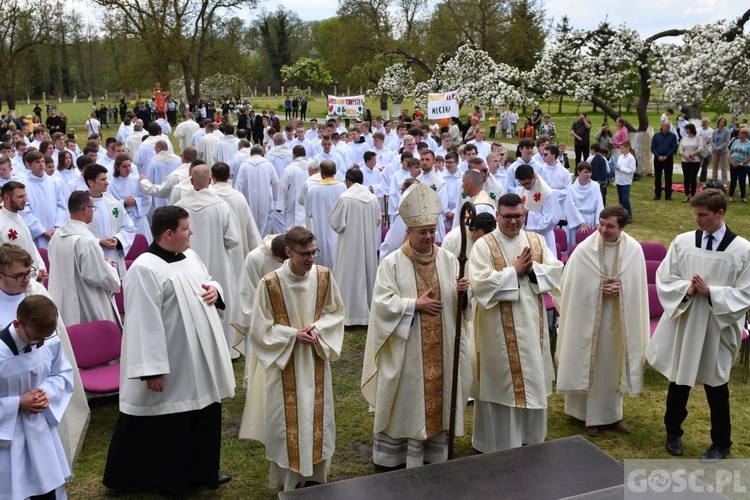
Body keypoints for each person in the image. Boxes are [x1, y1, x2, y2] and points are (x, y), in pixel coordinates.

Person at [103, 206, 235, 495]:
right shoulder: (144, 268)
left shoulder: (189, 255)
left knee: (203, 412)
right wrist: (153, 370)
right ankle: (168, 478)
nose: (191, 233)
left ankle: (203, 471)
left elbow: (208, 278)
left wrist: (215, 290)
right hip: (171, 361)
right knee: (169, 421)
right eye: (186, 228)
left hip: (198, 359)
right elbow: (142, 323)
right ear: (168, 233)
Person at [362, 183, 472, 468]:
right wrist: (414, 305)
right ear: (408, 232)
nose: (427, 236)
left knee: (440, 394)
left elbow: (461, 307)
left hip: (443, 346)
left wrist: (463, 293)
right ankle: (398, 455)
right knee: (407, 400)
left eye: (431, 231)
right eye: (421, 232)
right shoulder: (392, 264)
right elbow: (382, 304)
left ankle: (435, 451)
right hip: (407, 347)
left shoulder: (448, 259)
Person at [647, 189, 750, 462]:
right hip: (687, 320)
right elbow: (665, 278)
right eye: (695, 214)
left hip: (718, 325)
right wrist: (688, 290)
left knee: (717, 386)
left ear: (720, 213)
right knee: (679, 380)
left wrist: (712, 293)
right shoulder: (683, 242)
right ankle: (673, 433)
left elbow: (746, 292)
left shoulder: (742, 250)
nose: (697, 220)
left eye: (702, 215)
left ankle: (721, 443)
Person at [245, 226, 345, 491]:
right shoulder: (269, 283)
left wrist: (319, 329)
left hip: (315, 358)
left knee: (317, 416)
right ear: (288, 252)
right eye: (305, 254)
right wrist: (292, 335)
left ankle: (316, 477)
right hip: (285, 362)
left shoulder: (324, 277)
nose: (312, 259)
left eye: (315, 252)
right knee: (285, 422)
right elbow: (260, 328)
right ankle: (289, 481)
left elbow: (336, 313)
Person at [468, 193, 563, 452]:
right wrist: (514, 272)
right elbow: (479, 284)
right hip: (497, 330)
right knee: (500, 382)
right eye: (507, 217)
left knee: (531, 377)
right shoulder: (484, 245)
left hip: (532, 325)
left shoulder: (536, 240)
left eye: (518, 216)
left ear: (525, 215)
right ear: (497, 216)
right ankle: (496, 442)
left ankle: (530, 437)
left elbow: (555, 272)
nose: (513, 222)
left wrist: (532, 270)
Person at [555, 205, 649, 437]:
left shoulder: (634, 250)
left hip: (618, 319)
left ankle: (612, 415)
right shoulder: (584, 250)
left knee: (612, 363)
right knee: (591, 361)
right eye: (601, 224)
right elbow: (570, 285)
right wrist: (598, 290)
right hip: (586, 318)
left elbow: (638, 288)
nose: (603, 230)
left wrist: (621, 289)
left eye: (610, 226)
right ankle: (587, 416)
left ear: (622, 227)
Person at [0, 295, 73, 500]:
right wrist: (16, 403)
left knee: (47, 486)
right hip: (7, 439)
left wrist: (45, 394)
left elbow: (62, 373)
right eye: (35, 338)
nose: (40, 343)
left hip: (40, 431)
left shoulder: (47, 340)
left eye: (46, 337)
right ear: (17, 323)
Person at [176, 165, 241, 358]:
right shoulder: (221, 205)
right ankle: (225, 348)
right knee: (220, 298)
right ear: (210, 180)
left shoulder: (179, 206)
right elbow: (233, 239)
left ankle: (195, 347)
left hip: (186, 264)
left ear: (191, 181)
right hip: (218, 262)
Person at [48, 191, 122, 327]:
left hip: (63, 303)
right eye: (93, 208)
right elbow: (98, 277)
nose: (93, 212)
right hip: (87, 304)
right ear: (85, 210)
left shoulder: (57, 235)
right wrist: (108, 266)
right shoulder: (87, 241)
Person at [328, 168, 381, 326]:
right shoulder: (372, 198)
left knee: (348, 274)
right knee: (366, 272)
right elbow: (378, 220)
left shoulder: (345, 198)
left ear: (348, 181)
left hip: (349, 245)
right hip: (368, 244)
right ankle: (366, 312)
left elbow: (336, 223)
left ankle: (349, 315)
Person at [84, 164, 136, 277]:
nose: (107, 182)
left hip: (114, 257)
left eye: (106, 178)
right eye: (102, 179)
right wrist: (98, 242)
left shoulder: (114, 203)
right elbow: (76, 235)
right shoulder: (81, 206)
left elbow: (128, 227)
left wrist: (117, 240)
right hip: (93, 259)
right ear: (90, 182)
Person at [303, 160, 346, 269]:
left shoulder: (313, 190)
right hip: (338, 229)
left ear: (321, 173)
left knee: (321, 260)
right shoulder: (343, 187)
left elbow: (308, 212)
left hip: (320, 230)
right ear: (335, 172)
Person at [0, 181, 48, 276]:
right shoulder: (2, 224)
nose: (25, 200)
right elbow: (7, 259)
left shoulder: (19, 217)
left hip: (33, 275)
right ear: (6, 198)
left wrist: (40, 267)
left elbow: (30, 245)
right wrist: (33, 274)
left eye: (25, 195)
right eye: (20, 197)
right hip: (18, 279)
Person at [564, 162, 604, 249]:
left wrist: (598, 222)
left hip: (592, 218)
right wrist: (581, 223)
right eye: (585, 172)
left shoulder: (595, 186)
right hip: (577, 220)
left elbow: (599, 204)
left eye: (590, 172)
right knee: (577, 246)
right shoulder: (572, 189)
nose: (588, 174)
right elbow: (571, 207)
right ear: (578, 172)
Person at [651, 122, 679, 201]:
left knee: (668, 177)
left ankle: (668, 195)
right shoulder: (656, 136)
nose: (668, 128)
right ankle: (657, 194)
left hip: (668, 159)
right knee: (658, 177)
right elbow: (653, 148)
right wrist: (658, 156)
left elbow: (674, 148)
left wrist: (666, 156)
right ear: (662, 126)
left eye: (669, 126)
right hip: (658, 159)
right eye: (667, 126)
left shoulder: (673, 136)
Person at [680, 123, 703, 202]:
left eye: (687, 129)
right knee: (686, 178)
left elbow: (700, 149)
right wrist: (686, 156)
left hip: (695, 161)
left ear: (691, 129)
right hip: (685, 161)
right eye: (685, 129)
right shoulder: (684, 138)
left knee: (693, 178)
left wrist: (690, 155)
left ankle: (693, 194)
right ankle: (686, 195)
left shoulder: (698, 138)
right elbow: (681, 149)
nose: (686, 131)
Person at [615, 141, 636, 223]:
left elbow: (632, 170)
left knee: (625, 199)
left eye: (622, 148)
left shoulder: (631, 158)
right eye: (621, 148)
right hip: (619, 180)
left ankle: (629, 215)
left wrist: (621, 169)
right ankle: (621, 214)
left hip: (626, 181)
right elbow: (618, 166)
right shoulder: (620, 157)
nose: (621, 150)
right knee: (621, 199)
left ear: (628, 148)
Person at [728, 127, 750, 203]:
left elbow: (749, 157)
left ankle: (743, 197)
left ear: (746, 134)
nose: (739, 134)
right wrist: (731, 161)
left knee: (742, 180)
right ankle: (731, 196)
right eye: (739, 132)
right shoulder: (736, 141)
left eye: (741, 132)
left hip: (744, 165)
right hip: (733, 163)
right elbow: (730, 152)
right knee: (733, 180)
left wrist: (741, 164)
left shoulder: (749, 144)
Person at [712, 117, 730, 183]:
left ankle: (724, 182)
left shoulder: (727, 131)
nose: (722, 122)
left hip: (723, 152)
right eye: (721, 121)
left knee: (724, 167)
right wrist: (715, 148)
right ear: (718, 122)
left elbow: (727, 141)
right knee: (714, 167)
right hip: (714, 151)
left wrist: (719, 148)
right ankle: (714, 180)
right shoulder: (715, 131)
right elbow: (712, 141)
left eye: (723, 121)